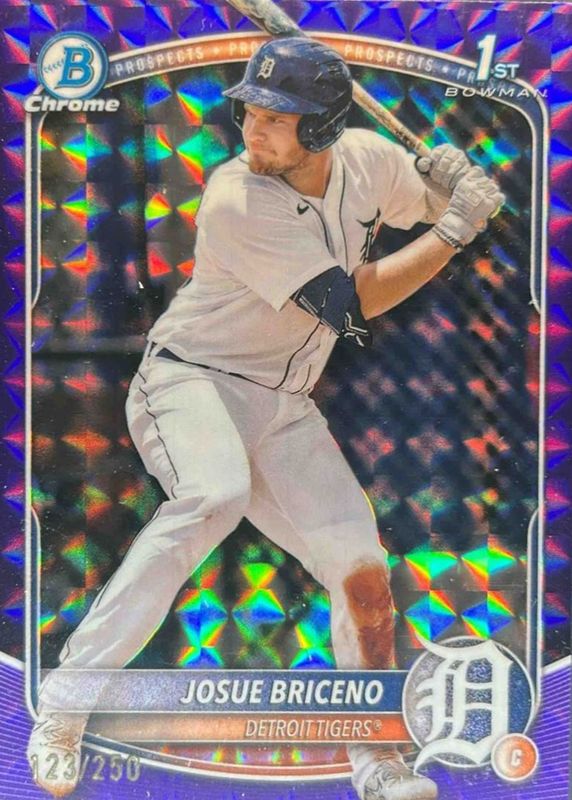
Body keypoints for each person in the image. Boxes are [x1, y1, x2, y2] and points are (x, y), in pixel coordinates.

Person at [28, 37, 504, 800]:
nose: (253, 126)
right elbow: (350, 308)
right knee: (212, 495)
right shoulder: (237, 197)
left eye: (277, 116)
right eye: (250, 109)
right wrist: (454, 230)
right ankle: (63, 708)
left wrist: (454, 186)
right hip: (190, 380)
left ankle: (378, 760)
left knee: (363, 574)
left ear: (322, 127)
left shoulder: (369, 159)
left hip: (284, 406)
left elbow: (432, 200)